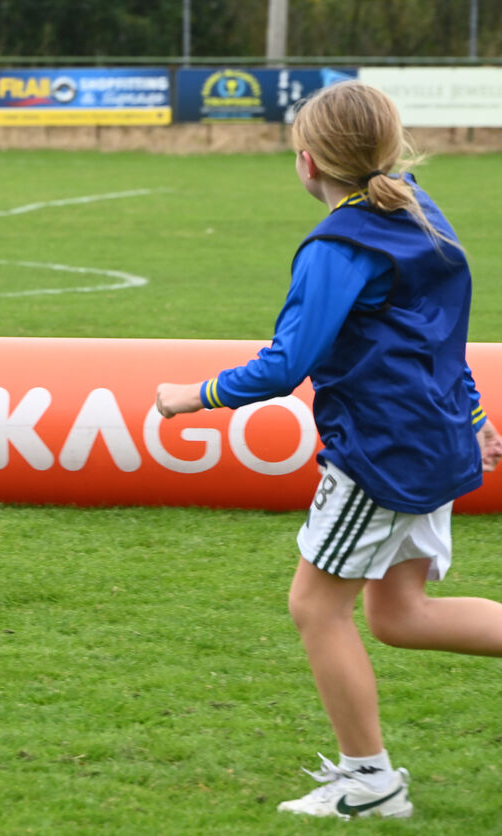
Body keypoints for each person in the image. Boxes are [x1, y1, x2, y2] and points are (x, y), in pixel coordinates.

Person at [154, 80, 502, 821]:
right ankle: (367, 776)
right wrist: (472, 410)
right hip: (432, 436)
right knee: (401, 615)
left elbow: (287, 363)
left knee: (315, 606)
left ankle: (369, 780)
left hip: (382, 450)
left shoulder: (339, 244)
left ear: (306, 162)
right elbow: (439, 332)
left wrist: (194, 394)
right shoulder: (416, 208)